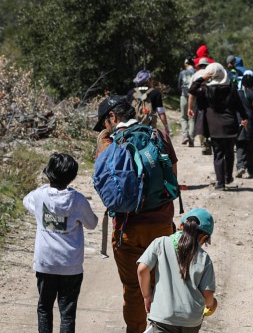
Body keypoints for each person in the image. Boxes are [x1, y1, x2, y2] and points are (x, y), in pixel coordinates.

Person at [92, 96, 179, 333]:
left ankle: (137, 330)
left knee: (133, 288)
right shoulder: (157, 136)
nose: (103, 129)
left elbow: (103, 185)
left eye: (104, 123)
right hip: (161, 226)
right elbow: (173, 178)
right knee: (163, 284)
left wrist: (102, 142)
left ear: (112, 117)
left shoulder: (109, 143)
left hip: (127, 228)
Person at [23, 153, 99, 333]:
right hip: (71, 266)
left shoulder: (39, 195)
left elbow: (26, 201)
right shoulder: (78, 200)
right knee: (67, 313)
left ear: (49, 173)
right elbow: (92, 224)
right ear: (72, 176)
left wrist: (44, 215)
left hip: (45, 264)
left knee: (44, 308)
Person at [137, 208, 218, 333]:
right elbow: (207, 298)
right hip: (191, 321)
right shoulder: (204, 258)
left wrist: (147, 296)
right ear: (205, 237)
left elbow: (142, 269)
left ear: (180, 225)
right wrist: (213, 305)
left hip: (163, 316)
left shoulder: (161, 243)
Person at [188, 62, 248, 190]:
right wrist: (244, 117)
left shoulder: (205, 89)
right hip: (230, 125)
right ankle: (227, 177)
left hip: (214, 127)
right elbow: (239, 104)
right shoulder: (231, 87)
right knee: (230, 152)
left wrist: (202, 78)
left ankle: (220, 183)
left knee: (218, 154)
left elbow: (192, 90)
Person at [235, 72, 253, 179]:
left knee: (240, 144)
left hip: (240, 122)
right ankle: (251, 170)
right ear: (252, 83)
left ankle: (240, 166)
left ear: (242, 83)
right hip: (251, 123)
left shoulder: (237, 93)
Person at [128, 69, 170, 137]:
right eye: (151, 79)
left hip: (134, 129)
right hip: (150, 129)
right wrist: (166, 126)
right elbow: (160, 112)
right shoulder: (155, 93)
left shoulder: (131, 93)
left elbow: (127, 112)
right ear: (148, 80)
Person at [188, 58, 212, 155]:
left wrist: (190, 107)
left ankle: (204, 146)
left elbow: (191, 93)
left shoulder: (195, 75)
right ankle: (210, 141)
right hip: (211, 100)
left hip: (200, 101)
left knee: (201, 122)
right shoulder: (211, 74)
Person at [177, 58, 196, 147]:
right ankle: (191, 139)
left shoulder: (182, 73)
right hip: (194, 97)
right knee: (192, 117)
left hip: (184, 95)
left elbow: (179, 85)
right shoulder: (196, 72)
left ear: (186, 64)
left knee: (183, 117)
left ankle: (185, 135)